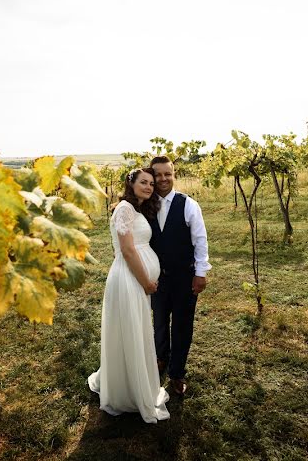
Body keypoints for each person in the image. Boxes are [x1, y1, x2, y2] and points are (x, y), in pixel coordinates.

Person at [88, 167, 170, 423]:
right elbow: (127, 251)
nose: (148, 186)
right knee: (130, 330)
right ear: (131, 184)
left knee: (134, 330)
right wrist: (146, 282)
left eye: (151, 183)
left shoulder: (136, 210)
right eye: (143, 182)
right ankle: (128, 391)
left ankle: (133, 381)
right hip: (129, 280)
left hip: (135, 280)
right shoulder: (124, 208)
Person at [148, 155, 210, 396]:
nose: (163, 178)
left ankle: (177, 373)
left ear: (174, 175)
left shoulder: (188, 204)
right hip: (157, 279)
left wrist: (200, 273)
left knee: (182, 326)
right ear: (152, 177)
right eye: (158, 174)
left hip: (184, 277)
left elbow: (200, 241)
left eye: (167, 174)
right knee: (159, 323)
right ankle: (160, 360)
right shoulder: (146, 204)